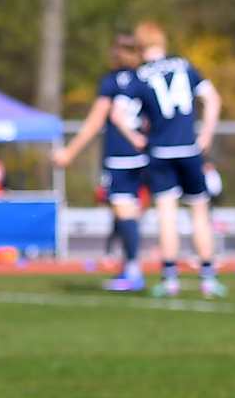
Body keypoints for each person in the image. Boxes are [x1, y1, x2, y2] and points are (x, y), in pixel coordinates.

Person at [122, 21, 224, 298]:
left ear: (140, 47)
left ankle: (169, 278)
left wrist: (136, 139)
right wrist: (207, 134)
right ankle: (208, 277)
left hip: (160, 152)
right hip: (189, 149)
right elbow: (213, 99)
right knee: (199, 211)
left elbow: (119, 114)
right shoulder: (185, 66)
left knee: (167, 213)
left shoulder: (140, 76)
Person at [53, 33, 148, 290]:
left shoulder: (112, 82)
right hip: (148, 154)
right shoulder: (148, 79)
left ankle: (132, 269)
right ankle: (130, 266)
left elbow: (95, 121)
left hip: (120, 156)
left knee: (123, 208)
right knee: (130, 210)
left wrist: (69, 152)